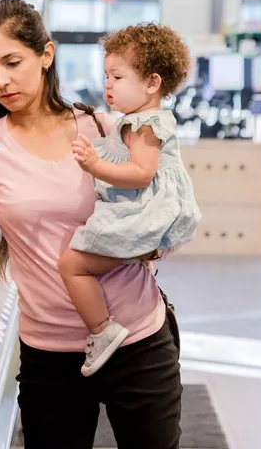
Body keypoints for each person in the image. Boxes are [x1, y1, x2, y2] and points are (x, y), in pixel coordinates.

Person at [0, 0, 182, 449]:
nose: (1, 80)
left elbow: (157, 202)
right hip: (51, 357)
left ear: (47, 54)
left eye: (13, 63)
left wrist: (153, 242)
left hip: (137, 339)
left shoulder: (101, 126)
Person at [59, 24, 200, 376]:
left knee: (72, 265)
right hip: (144, 211)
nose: (107, 84)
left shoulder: (146, 125)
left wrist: (95, 164)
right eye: (106, 75)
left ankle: (102, 329)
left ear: (152, 83)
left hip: (144, 213)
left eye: (117, 76)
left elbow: (141, 173)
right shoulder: (135, 120)